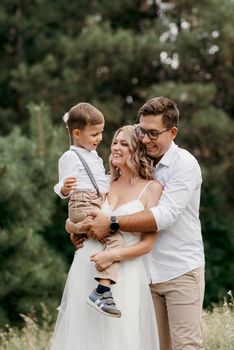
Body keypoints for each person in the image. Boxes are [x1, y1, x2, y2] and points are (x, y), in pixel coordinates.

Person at [74, 97, 205, 350]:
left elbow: (164, 217)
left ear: (173, 132)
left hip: (179, 271)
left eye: (153, 133)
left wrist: (110, 223)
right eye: (142, 131)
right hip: (140, 275)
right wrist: (84, 230)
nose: (145, 139)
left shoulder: (184, 165)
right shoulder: (134, 164)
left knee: (186, 346)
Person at [50, 125, 162, 350]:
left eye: (124, 144)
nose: (116, 148)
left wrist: (112, 254)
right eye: (114, 143)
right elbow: (77, 216)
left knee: (120, 339)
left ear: (137, 150)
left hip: (125, 273)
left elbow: (147, 245)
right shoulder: (102, 182)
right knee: (82, 338)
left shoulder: (152, 188)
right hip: (86, 266)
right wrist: (72, 227)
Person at [54, 102, 125, 318]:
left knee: (97, 239)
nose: (100, 138)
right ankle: (101, 291)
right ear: (76, 133)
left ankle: (83, 296)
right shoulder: (70, 157)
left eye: (101, 132)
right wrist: (64, 188)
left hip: (94, 200)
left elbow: (98, 182)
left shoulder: (93, 156)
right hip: (82, 202)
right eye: (95, 134)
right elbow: (61, 185)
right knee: (116, 240)